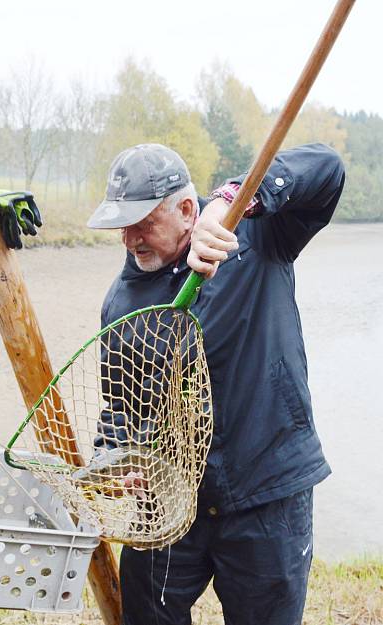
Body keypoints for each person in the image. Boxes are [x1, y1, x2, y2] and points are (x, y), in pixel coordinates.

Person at [87, 142, 345, 625]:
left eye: (143, 224)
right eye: (122, 226)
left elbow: (327, 169)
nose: (130, 239)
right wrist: (115, 458)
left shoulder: (259, 237)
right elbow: (121, 409)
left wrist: (232, 203)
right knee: (145, 613)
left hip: (267, 490)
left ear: (187, 210)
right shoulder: (121, 305)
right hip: (171, 501)